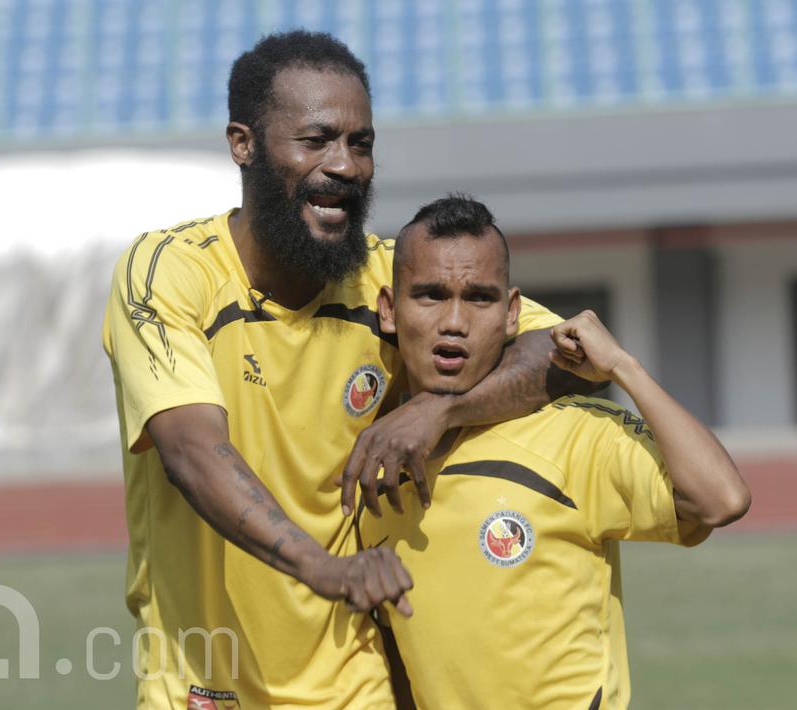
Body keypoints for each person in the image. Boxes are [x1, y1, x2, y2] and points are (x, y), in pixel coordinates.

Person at [103, 32, 589, 708]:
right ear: (242, 143)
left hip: (355, 682)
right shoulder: (168, 272)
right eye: (316, 140)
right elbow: (192, 451)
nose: (346, 165)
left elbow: (570, 352)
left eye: (360, 144)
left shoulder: (393, 282)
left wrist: (443, 408)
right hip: (203, 685)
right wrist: (322, 568)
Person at [359, 195, 752, 709]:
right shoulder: (374, 467)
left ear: (511, 313)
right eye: (430, 296)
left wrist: (625, 370)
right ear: (390, 310)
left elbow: (721, 499)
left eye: (479, 298)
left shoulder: (572, 437)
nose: (453, 322)